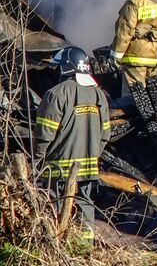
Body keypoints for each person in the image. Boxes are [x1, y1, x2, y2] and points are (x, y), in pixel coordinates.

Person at [34, 46, 111, 238]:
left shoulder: (56, 94)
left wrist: (37, 161)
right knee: (85, 205)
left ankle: (57, 243)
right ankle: (85, 246)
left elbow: (45, 134)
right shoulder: (98, 95)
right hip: (88, 167)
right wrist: (93, 155)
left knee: (56, 206)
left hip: (58, 168)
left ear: (66, 68)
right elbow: (105, 134)